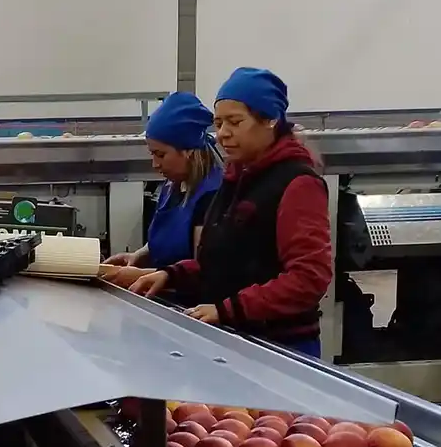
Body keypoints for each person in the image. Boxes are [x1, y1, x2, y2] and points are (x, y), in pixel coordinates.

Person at [130, 68, 332, 357]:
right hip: (236, 341)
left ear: (270, 120)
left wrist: (227, 310)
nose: (223, 134)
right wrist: (171, 276)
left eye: (235, 122)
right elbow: (225, 259)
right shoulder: (237, 178)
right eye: (219, 123)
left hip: (279, 351)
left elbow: (308, 278)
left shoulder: (297, 184)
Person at [101, 92, 223, 286]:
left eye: (160, 154)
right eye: (152, 154)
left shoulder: (212, 196)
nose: (155, 164)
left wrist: (138, 276)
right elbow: (167, 238)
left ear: (188, 151)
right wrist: (138, 256)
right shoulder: (171, 187)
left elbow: (202, 272)